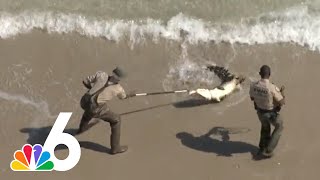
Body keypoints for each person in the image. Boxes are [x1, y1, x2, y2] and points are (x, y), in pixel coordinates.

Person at [78, 67, 134, 155]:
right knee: (116, 120)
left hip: (84, 101)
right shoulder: (118, 89)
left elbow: (85, 81)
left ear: (113, 72)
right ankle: (115, 148)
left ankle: (81, 129)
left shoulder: (101, 75)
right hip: (95, 108)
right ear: (120, 79)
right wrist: (130, 95)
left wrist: (93, 91)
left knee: (89, 111)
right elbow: (123, 97)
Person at [249, 65, 285, 158]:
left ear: (260, 74)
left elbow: (252, 98)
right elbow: (282, 102)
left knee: (265, 128)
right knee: (279, 126)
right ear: (269, 74)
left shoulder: (253, 85)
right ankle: (268, 150)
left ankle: (262, 147)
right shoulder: (272, 87)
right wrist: (282, 93)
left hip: (260, 113)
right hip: (271, 114)